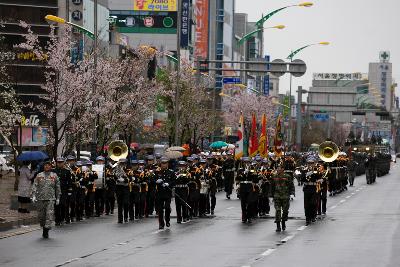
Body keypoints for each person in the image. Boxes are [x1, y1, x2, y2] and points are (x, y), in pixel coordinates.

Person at [31, 160, 61, 238]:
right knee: (42, 216)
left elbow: (57, 188)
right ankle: (44, 227)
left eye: (48, 165)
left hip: (50, 199)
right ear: (43, 166)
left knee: (49, 215)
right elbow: (35, 185)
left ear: (51, 166)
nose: (47, 166)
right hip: (40, 199)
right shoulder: (39, 175)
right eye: (45, 165)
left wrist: (58, 198)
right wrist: (33, 195)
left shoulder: (54, 175)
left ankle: (46, 230)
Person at [271, 161, 295, 232]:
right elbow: (272, 186)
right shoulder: (274, 176)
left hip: (285, 196)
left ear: (282, 169)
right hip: (277, 196)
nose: (278, 169)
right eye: (277, 168)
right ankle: (278, 226)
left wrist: (292, 193)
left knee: (285, 211)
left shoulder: (287, 176)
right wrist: (271, 195)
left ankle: (283, 222)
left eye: (279, 168)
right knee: (277, 211)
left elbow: (291, 185)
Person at [155, 157, 174, 229]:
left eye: (165, 163)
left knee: (167, 207)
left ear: (167, 164)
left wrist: (168, 184)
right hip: (159, 193)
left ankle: (167, 220)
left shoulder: (171, 172)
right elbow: (152, 180)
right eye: (162, 163)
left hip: (167, 193)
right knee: (160, 209)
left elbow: (174, 181)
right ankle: (161, 224)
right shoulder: (157, 172)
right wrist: (156, 181)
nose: (164, 165)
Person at [53, 157, 73, 225]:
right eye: (58, 162)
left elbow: (69, 181)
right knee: (56, 205)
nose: (60, 163)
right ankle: (57, 220)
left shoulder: (67, 171)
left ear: (63, 163)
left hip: (64, 190)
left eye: (61, 162)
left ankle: (62, 218)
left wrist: (69, 190)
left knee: (63, 205)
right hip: (55, 190)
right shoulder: (54, 171)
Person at [114, 158, 130, 223]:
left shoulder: (128, 170)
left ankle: (126, 217)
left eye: (123, 163)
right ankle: (120, 219)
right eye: (121, 163)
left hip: (125, 187)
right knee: (120, 204)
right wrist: (117, 179)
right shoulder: (116, 169)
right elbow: (114, 177)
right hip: (119, 187)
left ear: (125, 163)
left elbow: (130, 178)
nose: (122, 164)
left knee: (126, 203)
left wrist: (124, 180)